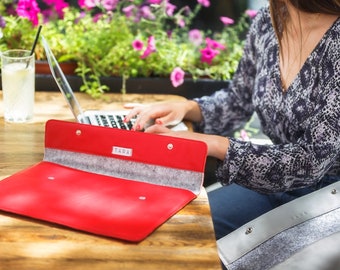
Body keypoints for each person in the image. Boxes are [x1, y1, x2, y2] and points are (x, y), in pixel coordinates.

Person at [124, 0, 340, 240]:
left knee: (195, 242)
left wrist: (214, 144)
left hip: (328, 198)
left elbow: (311, 162)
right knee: (172, 226)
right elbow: (238, 99)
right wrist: (187, 108)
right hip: (271, 181)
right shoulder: (271, 20)